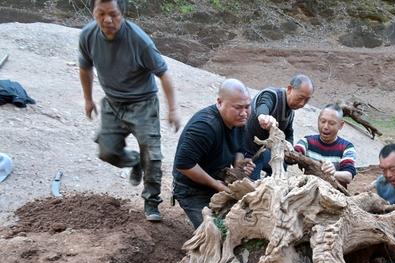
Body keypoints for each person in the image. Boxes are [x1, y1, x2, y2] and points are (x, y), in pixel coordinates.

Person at [79, 0, 180, 221]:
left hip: (143, 104)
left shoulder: (138, 40)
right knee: (107, 152)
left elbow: (164, 73)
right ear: (93, 12)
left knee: (152, 157)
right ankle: (134, 161)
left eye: (113, 14)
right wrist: (88, 99)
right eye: (101, 13)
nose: (107, 20)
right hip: (113, 103)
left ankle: (151, 202)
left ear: (122, 13)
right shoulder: (87, 35)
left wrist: (172, 109)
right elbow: (85, 67)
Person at [172, 79, 254, 228]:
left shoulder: (239, 120)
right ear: (220, 102)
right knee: (218, 232)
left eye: (247, 107)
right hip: (192, 189)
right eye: (238, 107)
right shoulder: (205, 127)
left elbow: (240, 149)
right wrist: (216, 185)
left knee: (247, 220)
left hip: (218, 181)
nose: (244, 113)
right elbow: (183, 164)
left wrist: (240, 165)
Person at [244, 75, 314, 180]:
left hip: (262, 153)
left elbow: (289, 133)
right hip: (246, 153)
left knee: (282, 164)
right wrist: (264, 116)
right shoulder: (272, 95)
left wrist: (289, 147)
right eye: (300, 98)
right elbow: (264, 104)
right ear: (290, 89)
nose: (302, 104)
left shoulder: (290, 113)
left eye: (306, 100)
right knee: (252, 187)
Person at [294, 104, 357, 186]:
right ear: (318, 120)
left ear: (341, 125)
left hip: (334, 195)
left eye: (331, 123)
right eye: (323, 121)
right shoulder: (306, 142)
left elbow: (348, 176)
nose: (325, 127)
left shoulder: (347, 148)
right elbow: (293, 156)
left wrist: (333, 173)